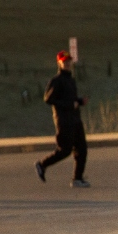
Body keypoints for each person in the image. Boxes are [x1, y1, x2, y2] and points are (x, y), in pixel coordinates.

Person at [36, 51, 88, 187]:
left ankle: (77, 178)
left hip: (75, 119)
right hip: (64, 121)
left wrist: (79, 101)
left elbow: (70, 99)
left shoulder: (71, 80)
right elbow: (48, 99)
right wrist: (70, 105)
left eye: (69, 61)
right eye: (65, 62)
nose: (68, 64)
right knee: (65, 150)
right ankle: (42, 164)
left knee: (82, 149)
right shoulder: (57, 81)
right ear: (59, 63)